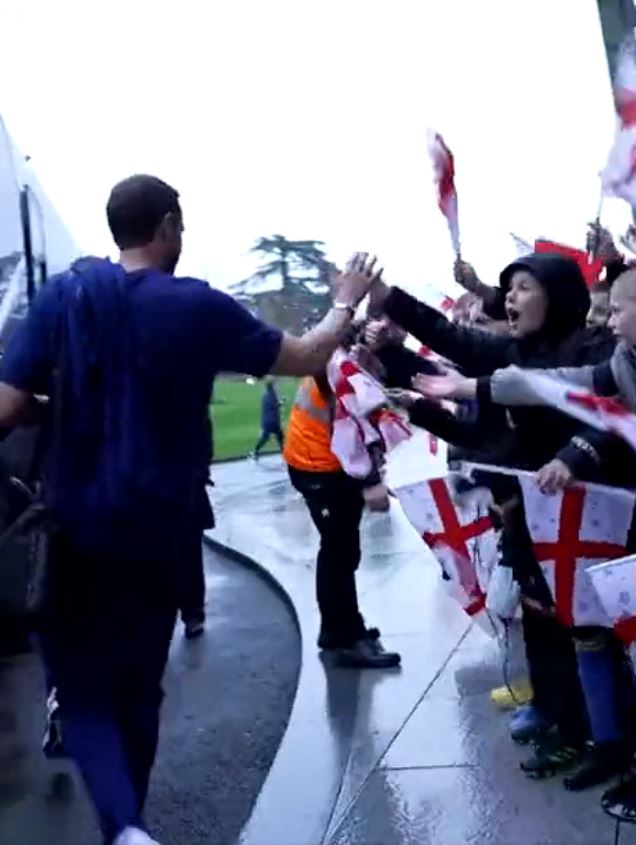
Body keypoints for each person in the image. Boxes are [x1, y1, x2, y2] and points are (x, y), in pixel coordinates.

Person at [0, 174, 379, 845]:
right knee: (140, 688)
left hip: (72, 527)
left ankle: (125, 826)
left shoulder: (62, 300)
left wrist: (50, 408)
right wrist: (344, 302)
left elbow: (5, 408)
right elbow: (308, 355)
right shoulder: (196, 306)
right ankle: (130, 823)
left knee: (82, 693)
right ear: (168, 225)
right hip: (160, 526)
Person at [419, 257, 636, 819]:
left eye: (619, 307)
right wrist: (471, 385)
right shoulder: (627, 361)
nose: (610, 316)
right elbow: (566, 389)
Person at [369, 252, 616, 778]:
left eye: (524, 286)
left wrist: (571, 456)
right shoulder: (513, 349)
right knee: (541, 625)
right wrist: (389, 321)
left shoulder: (598, 350)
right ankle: (560, 721)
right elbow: (452, 344)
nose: (509, 297)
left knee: (588, 633)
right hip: (531, 513)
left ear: (558, 294)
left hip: (590, 516)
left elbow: (611, 420)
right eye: (508, 288)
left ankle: (600, 736)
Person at [283, 353, 401, 669]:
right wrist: (372, 481)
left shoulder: (344, 356)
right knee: (339, 551)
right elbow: (352, 422)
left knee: (341, 550)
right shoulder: (342, 365)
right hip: (320, 467)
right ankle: (347, 638)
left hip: (321, 462)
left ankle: (337, 629)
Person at [252, 378, 284, 459]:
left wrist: (279, 402)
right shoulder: (272, 395)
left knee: (266, 438)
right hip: (273, 421)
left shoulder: (265, 395)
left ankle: (255, 452)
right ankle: (285, 454)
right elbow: (274, 405)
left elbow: (271, 405)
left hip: (266, 421)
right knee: (280, 438)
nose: (276, 387)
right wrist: (280, 403)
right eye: (274, 385)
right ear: (272, 387)